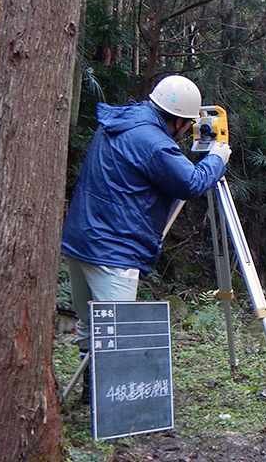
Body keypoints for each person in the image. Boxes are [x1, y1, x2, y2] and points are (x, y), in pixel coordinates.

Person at [61, 75, 231, 402]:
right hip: (113, 249)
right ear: (180, 121)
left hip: (81, 239)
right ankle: (111, 406)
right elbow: (191, 183)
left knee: (89, 322)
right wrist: (216, 159)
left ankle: (91, 394)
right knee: (118, 332)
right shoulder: (151, 140)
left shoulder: (121, 120)